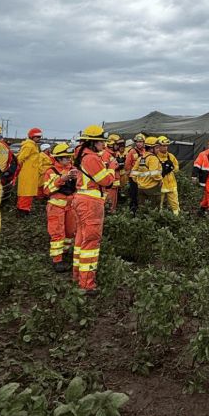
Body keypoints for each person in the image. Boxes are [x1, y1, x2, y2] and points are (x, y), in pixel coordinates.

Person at [71, 125, 116, 293]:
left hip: (81, 200)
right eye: (100, 142)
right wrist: (111, 166)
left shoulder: (81, 155)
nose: (103, 145)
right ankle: (87, 284)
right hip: (90, 203)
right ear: (92, 142)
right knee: (91, 242)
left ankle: (77, 276)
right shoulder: (91, 158)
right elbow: (106, 181)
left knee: (81, 239)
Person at [43, 143, 79, 272]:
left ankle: (65, 252)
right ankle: (57, 260)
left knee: (70, 232)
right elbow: (47, 190)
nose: (68, 160)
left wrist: (77, 179)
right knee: (57, 233)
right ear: (58, 158)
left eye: (69, 157)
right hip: (56, 207)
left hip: (71, 207)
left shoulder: (74, 169)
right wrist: (61, 180)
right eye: (65, 158)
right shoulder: (51, 172)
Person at [15, 128, 43, 215]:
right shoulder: (29, 146)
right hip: (27, 173)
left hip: (31, 172)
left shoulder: (33, 145)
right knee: (26, 192)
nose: (39, 138)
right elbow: (20, 158)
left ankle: (24, 208)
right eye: (37, 137)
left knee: (28, 192)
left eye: (39, 136)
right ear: (32, 136)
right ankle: (23, 210)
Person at [133, 137, 163, 210]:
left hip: (141, 188)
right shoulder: (153, 158)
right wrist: (160, 180)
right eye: (157, 148)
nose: (158, 150)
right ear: (151, 149)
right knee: (153, 210)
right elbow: (154, 173)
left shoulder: (141, 158)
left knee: (142, 209)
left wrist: (139, 182)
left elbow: (133, 172)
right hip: (152, 188)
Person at [155, 136, 180, 215]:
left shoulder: (170, 156)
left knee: (175, 202)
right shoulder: (155, 157)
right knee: (159, 203)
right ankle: (158, 218)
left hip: (171, 184)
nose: (165, 148)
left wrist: (171, 168)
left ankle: (176, 217)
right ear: (158, 146)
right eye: (163, 146)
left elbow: (177, 168)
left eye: (166, 146)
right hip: (160, 184)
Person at [125, 133, 147, 213]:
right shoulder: (132, 152)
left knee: (142, 193)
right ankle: (133, 210)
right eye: (137, 142)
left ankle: (141, 208)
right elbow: (127, 164)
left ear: (143, 142)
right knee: (134, 193)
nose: (139, 143)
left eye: (140, 142)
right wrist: (130, 176)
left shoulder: (145, 151)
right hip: (133, 177)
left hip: (143, 177)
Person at [103, 134, 123, 213]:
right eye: (117, 145)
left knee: (113, 205)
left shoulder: (112, 154)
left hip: (114, 185)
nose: (118, 146)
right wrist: (116, 166)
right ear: (111, 144)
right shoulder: (106, 154)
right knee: (109, 205)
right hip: (109, 186)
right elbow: (105, 168)